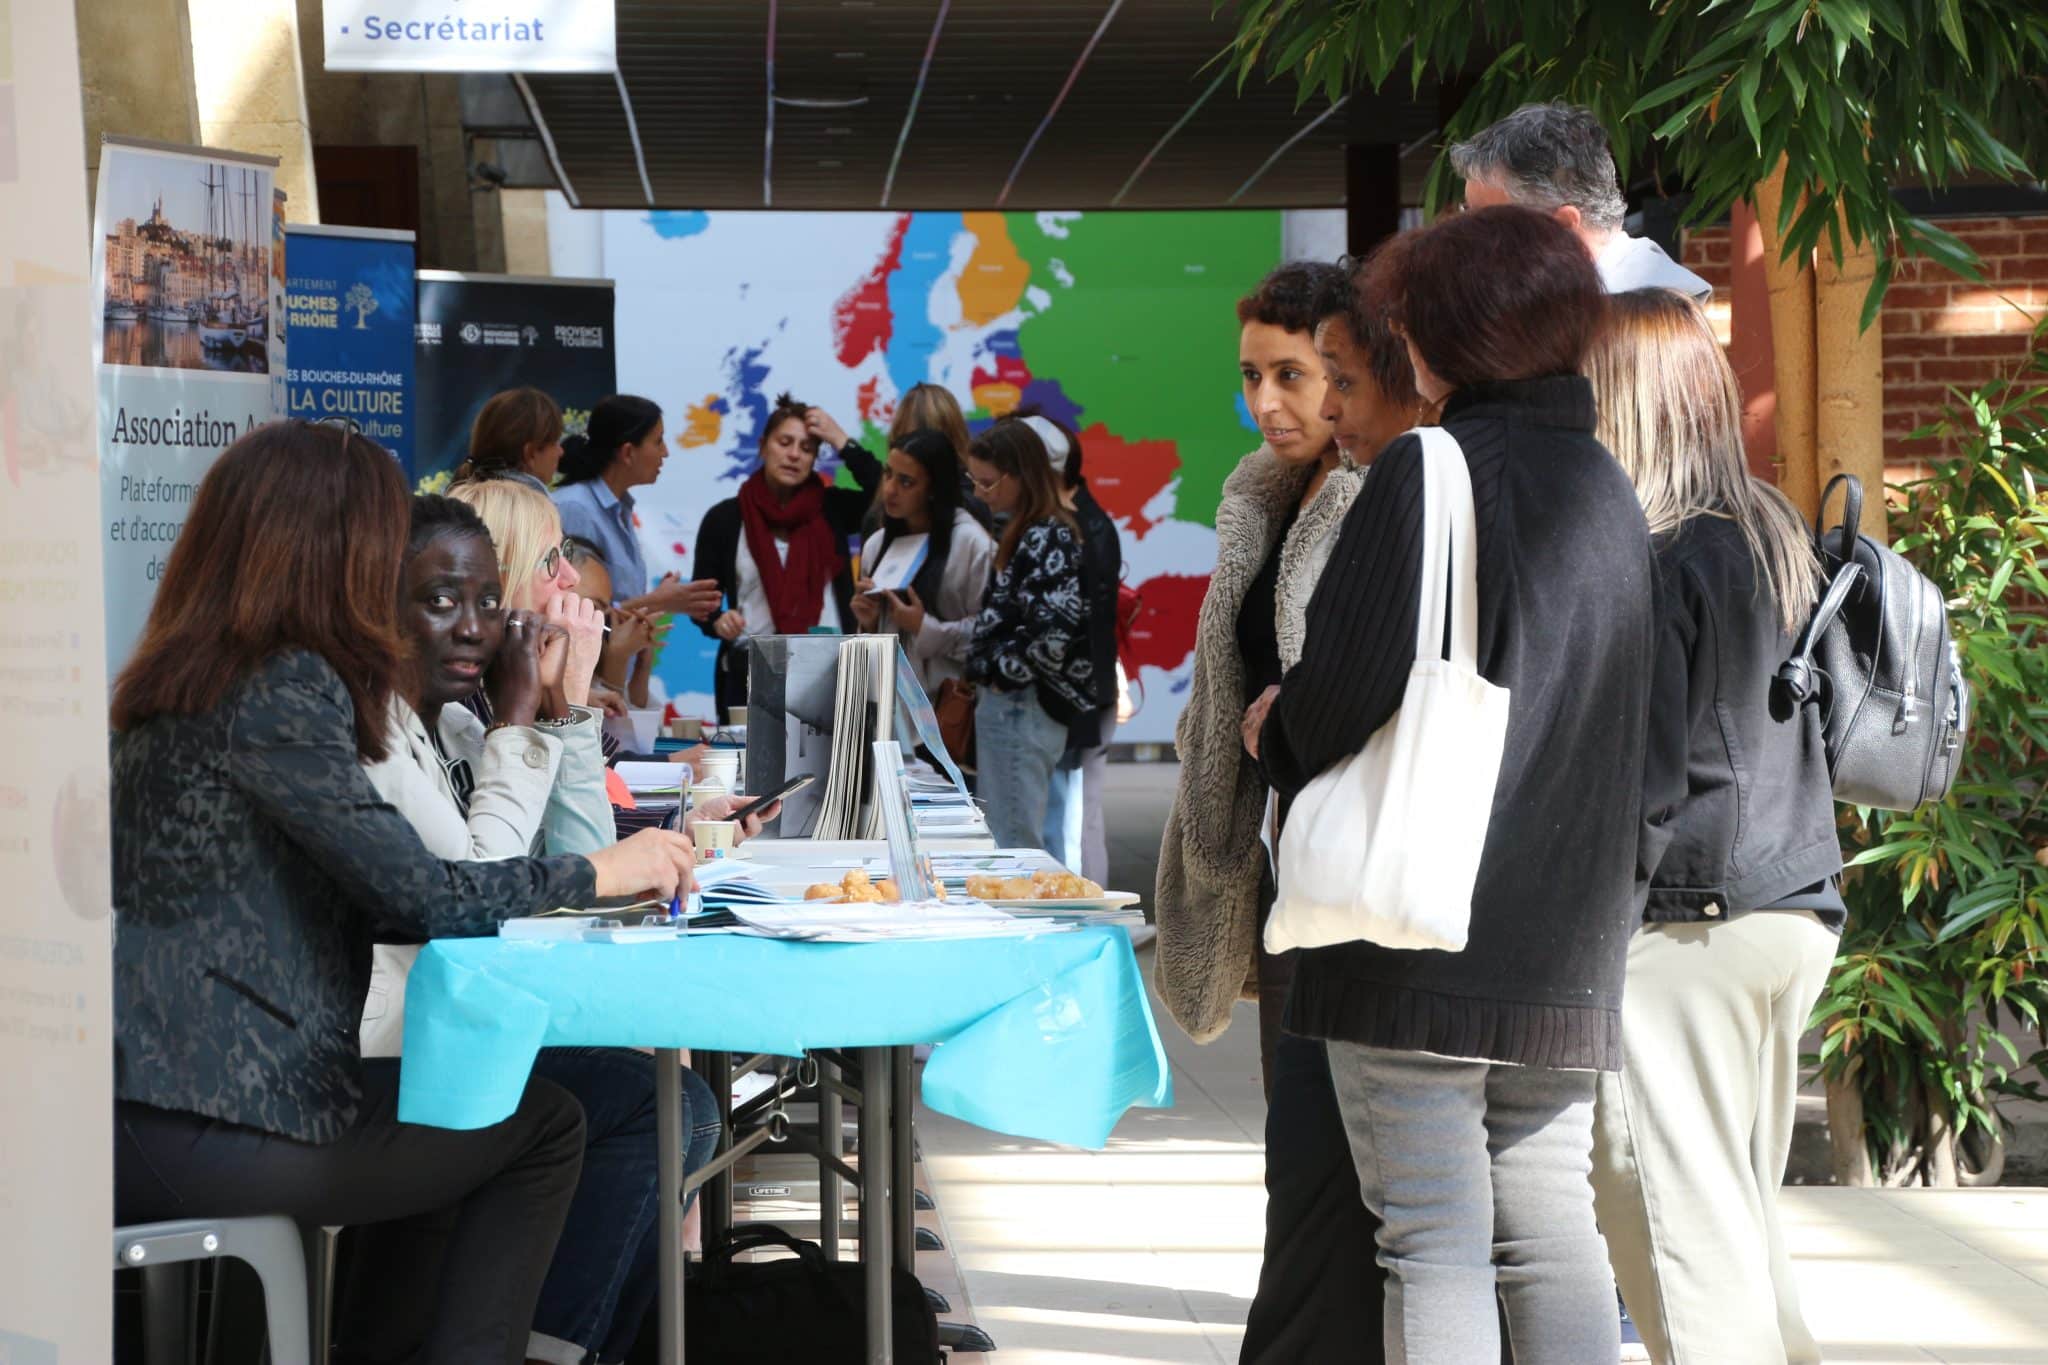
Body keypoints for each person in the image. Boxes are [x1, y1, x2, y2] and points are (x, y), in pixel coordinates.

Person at [108, 421, 697, 1365]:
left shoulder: (181, 682)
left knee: (462, 1099)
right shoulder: (283, 690)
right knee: (544, 1126)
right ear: (334, 550)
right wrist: (598, 872)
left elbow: (381, 890)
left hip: (163, 1098)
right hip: (210, 1116)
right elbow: (427, 893)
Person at [1256, 206, 1654, 1364]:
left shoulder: (1429, 472)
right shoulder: (1607, 487)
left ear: (1434, 339)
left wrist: (1275, 729)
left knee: (1428, 1234)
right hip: (1564, 940)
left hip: (1415, 928)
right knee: (1549, 1229)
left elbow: (1338, 697)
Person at [354, 495, 737, 1365]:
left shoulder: (456, 713)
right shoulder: (401, 722)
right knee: (656, 1106)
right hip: (397, 1042)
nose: (570, 588)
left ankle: (569, 1343)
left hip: (454, 1016)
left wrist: (562, 714)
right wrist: (527, 717)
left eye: (489, 602)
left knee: (674, 1104)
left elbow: (573, 869)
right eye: (549, 567)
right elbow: (482, 889)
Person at [1583, 289, 1840, 1365]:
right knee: (1733, 1224)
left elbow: (1640, 781)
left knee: (1674, 1232)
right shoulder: (1769, 529)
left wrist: (1584, 929)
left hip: (1687, 927)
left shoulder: (1656, 557)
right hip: (1788, 913)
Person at [1196, 260, 1426, 1365]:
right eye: (1252, 376)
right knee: (1302, 1164)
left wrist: (1296, 717)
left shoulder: (1382, 494)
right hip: (1292, 866)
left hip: (1359, 877)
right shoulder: (1259, 495)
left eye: (1296, 374)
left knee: (1336, 1174)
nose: (1272, 403)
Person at [692, 391, 884, 714]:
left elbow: (881, 490)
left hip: (832, 671)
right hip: (752, 672)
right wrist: (717, 620)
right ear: (763, 445)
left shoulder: (833, 509)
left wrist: (840, 439)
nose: (794, 454)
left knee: (838, 765)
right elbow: (702, 599)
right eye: (785, 443)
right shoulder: (724, 519)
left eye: (807, 448)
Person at [965, 418, 1093, 851]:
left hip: (1021, 705)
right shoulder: (1025, 529)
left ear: (1020, 476)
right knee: (1010, 832)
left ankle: (1033, 918)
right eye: (973, 481)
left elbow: (1051, 637)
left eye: (987, 482)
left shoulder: (1047, 535)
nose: (979, 493)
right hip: (1014, 703)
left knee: (1015, 842)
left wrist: (998, 670)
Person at [1452, 101, 1713, 300]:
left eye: (1486, 222)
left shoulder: (1651, 313)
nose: (1469, 237)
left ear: (1562, 226)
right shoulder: (1562, 293)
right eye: (1467, 213)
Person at [1028, 413, 1120, 886]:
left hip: (1077, 702)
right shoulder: (1065, 522)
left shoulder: (1082, 527)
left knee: (1073, 823)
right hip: (1072, 699)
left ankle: (1087, 922)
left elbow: (1073, 628)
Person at [847, 426, 996, 698]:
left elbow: (991, 635)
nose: (890, 490)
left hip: (952, 711)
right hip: (890, 712)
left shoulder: (972, 545)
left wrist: (925, 628)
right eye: (888, 474)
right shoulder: (876, 544)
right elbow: (872, 648)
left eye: (906, 482)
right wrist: (868, 623)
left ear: (933, 488)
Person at [553, 393, 724, 622]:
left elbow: (615, 604)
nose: (666, 452)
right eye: (658, 441)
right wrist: (657, 602)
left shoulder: (620, 508)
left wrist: (652, 612)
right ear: (628, 453)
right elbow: (576, 616)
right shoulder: (575, 509)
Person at [454, 386, 566, 490]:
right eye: (555, 442)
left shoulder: (458, 499)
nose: (561, 452)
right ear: (531, 453)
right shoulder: (533, 509)